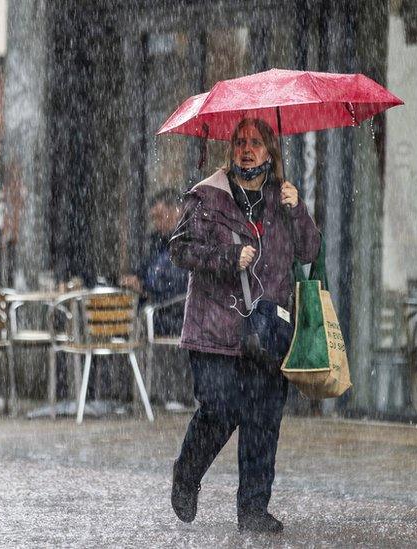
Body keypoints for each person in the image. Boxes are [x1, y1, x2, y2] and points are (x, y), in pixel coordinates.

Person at [168, 117, 320, 533]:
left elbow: (309, 250)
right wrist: (224, 258)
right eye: (239, 143)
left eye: (255, 143)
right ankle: (187, 472)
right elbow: (178, 248)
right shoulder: (208, 196)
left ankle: (253, 510)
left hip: (268, 330)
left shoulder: (282, 199)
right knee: (220, 408)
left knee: (263, 418)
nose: (246, 150)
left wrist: (298, 207)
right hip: (215, 329)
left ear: (270, 151)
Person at [119, 188, 191, 407]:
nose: (157, 223)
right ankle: (131, 393)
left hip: (178, 314)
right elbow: (142, 271)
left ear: (176, 211)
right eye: (154, 218)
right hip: (152, 310)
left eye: (160, 217)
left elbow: (181, 284)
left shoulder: (188, 243)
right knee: (116, 324)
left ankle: (159, 394)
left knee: (132, 325)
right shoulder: (156, 243)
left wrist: (147, 289)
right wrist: (133, 281)